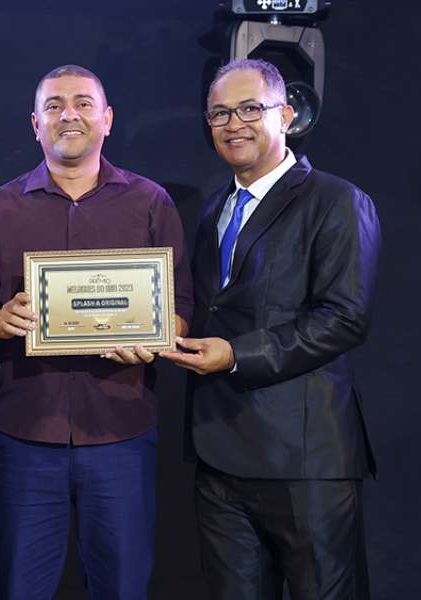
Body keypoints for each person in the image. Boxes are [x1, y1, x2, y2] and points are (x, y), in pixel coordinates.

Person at [0, 64, 194, 599]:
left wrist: (156, 338)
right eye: (54, 105)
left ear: (107, 119)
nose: (68, 114)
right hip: (25, 431)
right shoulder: (2, 205)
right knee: (17, 588)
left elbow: (180, 305)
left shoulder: (151, 202)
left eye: (82, 103)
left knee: (123, 587)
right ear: (36, 124)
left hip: (122, 429)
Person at [161, 58, 381, 599]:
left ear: (286, 115)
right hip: (218, 455)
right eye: (219, 113)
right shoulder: (213, 210)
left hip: (305, 460)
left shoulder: (337, 200)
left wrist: (237, 356)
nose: (232, 124)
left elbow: (344, 318)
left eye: (249, 109)